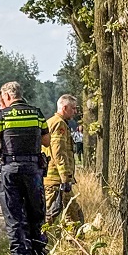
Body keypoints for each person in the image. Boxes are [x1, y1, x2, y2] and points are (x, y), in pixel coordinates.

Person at [0, 81, 50, 255]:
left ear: (6, 96)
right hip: (33, 169)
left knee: (14, 217)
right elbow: (46, 141)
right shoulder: (37, 113)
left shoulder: (2, 116)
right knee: (36, 215)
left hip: (10, 170)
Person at [44, 94, 84, 226]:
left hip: (57, 179)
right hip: (56, 180)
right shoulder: (59, 124)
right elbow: (59, 152)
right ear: (65, 108)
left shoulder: (54, 122)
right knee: (50, 214)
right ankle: (38, 237)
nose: (75, 111)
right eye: (73, 108)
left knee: (74, 215)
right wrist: (65, 178)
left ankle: (72, 236)